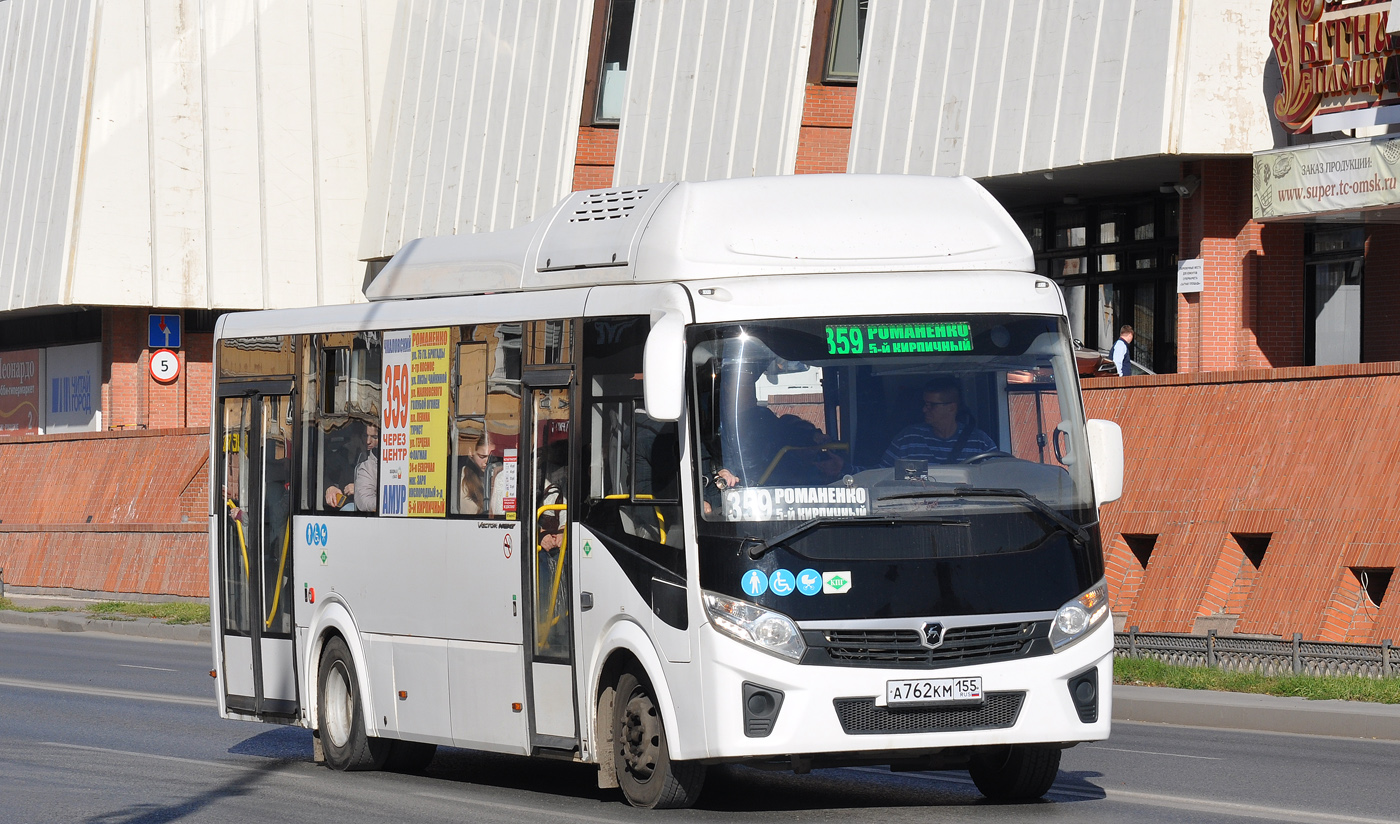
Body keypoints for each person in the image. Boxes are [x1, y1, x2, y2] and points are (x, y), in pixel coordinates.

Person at [881, 377, 997, 467]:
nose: (924, 409)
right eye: (925, 404)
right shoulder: (907, 439)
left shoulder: (980, 442)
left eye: (931, 405)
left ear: (951, 408)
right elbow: (883, 472)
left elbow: (999, 473)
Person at [324, 421, 378, 512]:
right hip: (347, 507)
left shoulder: (383, 459)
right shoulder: (342, 455)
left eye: (375, 437)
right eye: (365, 436)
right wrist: (329, 487)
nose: (368, 441)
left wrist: (358, 488)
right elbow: (321, 474)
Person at [459, 440, 491, 515]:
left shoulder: (498, 476)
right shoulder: (462, 478)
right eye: (482, 456)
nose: (487, 461)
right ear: (471, 452)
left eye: (491, 457)